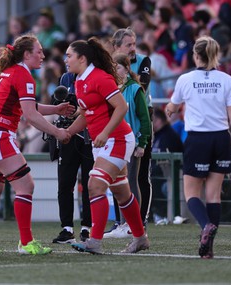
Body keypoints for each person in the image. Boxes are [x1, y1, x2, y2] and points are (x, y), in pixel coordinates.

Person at [0, 33, 73, 255]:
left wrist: (54, 109)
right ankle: (26, 243)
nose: (43, 55)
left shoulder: (9, 71)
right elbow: (30, 115)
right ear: (26, 54)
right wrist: (57, 132)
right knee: (26, 186)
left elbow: (26, 106)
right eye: (39, 51)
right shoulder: (23, 75)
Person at [166, 35, 231, 259]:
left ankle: (205, 226)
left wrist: (169, 110)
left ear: (195, 55)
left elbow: (172, 107)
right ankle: (208, 248)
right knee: (214, 196)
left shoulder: (185, 79)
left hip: (198, 139)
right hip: (221, 138)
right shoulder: (226, 79)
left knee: (191, 193)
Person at [64, 37, 149, 254]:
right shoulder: (79, 80)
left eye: (69, 55)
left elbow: (122, 107)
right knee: (122, 194)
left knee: (94, 186)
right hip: (102, 141)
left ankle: (94, 241)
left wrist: (105, 132)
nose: (66, 60)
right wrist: (67, 132)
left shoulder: (99, 77)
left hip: (117, 139)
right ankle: (140, 238)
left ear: (82, 58)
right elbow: (86, 115)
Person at [103, 53, 151, 239]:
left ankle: (133, 224)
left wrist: (142, 142)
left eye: (119, 67)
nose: (115, 71)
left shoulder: (134, 89)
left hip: (132, 141)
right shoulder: (113, 89)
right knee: (119, 183)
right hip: (116, 141)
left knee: (131, 181)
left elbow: (144, 118)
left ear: (126, 68)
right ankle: (123, 223)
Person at [111, 27, 153, 230]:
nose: (133, 49)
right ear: (116, 47)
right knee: (119, 179)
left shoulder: (143, 61)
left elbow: (143, 84)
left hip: (138, 125)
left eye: (134, 44)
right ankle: (121, 222)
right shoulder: (109, 65)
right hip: (118, 129)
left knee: (138, 176)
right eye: (128, 45)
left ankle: (138, 221)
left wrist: (142, 140)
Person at [51, 72, 94, 244]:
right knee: (65, 183)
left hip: (89, 136)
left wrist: (76, 113)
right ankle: (67, 227)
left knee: (90, 183)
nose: (68, 61)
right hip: (68, 136)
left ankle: (87, 227)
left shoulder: (93, 76)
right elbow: (55, 101)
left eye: (71, 56)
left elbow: (92, 107)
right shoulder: (64, 78)